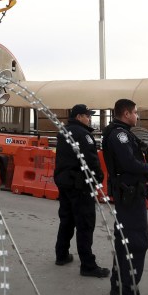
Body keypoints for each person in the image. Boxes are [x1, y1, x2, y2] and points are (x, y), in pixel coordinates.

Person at [102, 99, 148, 295]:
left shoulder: (118, 132)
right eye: (135, 112)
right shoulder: (120, 134)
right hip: (129, 195)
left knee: (124, 241)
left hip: (127, 193)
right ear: (126, 113)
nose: (137, 116)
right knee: (136, 244)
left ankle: (118, 284)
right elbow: (128, 163)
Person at [53, 104, 110, 278]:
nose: (89, 118)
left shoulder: (63, 131)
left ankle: (61, 255)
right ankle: (88, 265)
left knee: (67, 219)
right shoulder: (83, 134)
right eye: (87, 115)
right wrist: (98, 178)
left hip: (64, 182)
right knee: (85, 224)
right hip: (80, 185)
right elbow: (91, 160)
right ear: (79, 117)